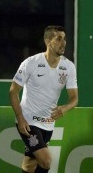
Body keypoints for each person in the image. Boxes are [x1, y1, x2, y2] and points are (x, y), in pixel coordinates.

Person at [9, 25, 78, 173]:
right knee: (46, 161)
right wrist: (20, 118)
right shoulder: (31, 63)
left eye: (64, 39)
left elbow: (74, 98)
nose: (64, 42)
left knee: (29, 165)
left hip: (48, 124)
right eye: (59, 39)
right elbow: (13, 91)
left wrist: (64, 108)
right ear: (47, 41)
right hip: (29, 122)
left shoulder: (69, 67)